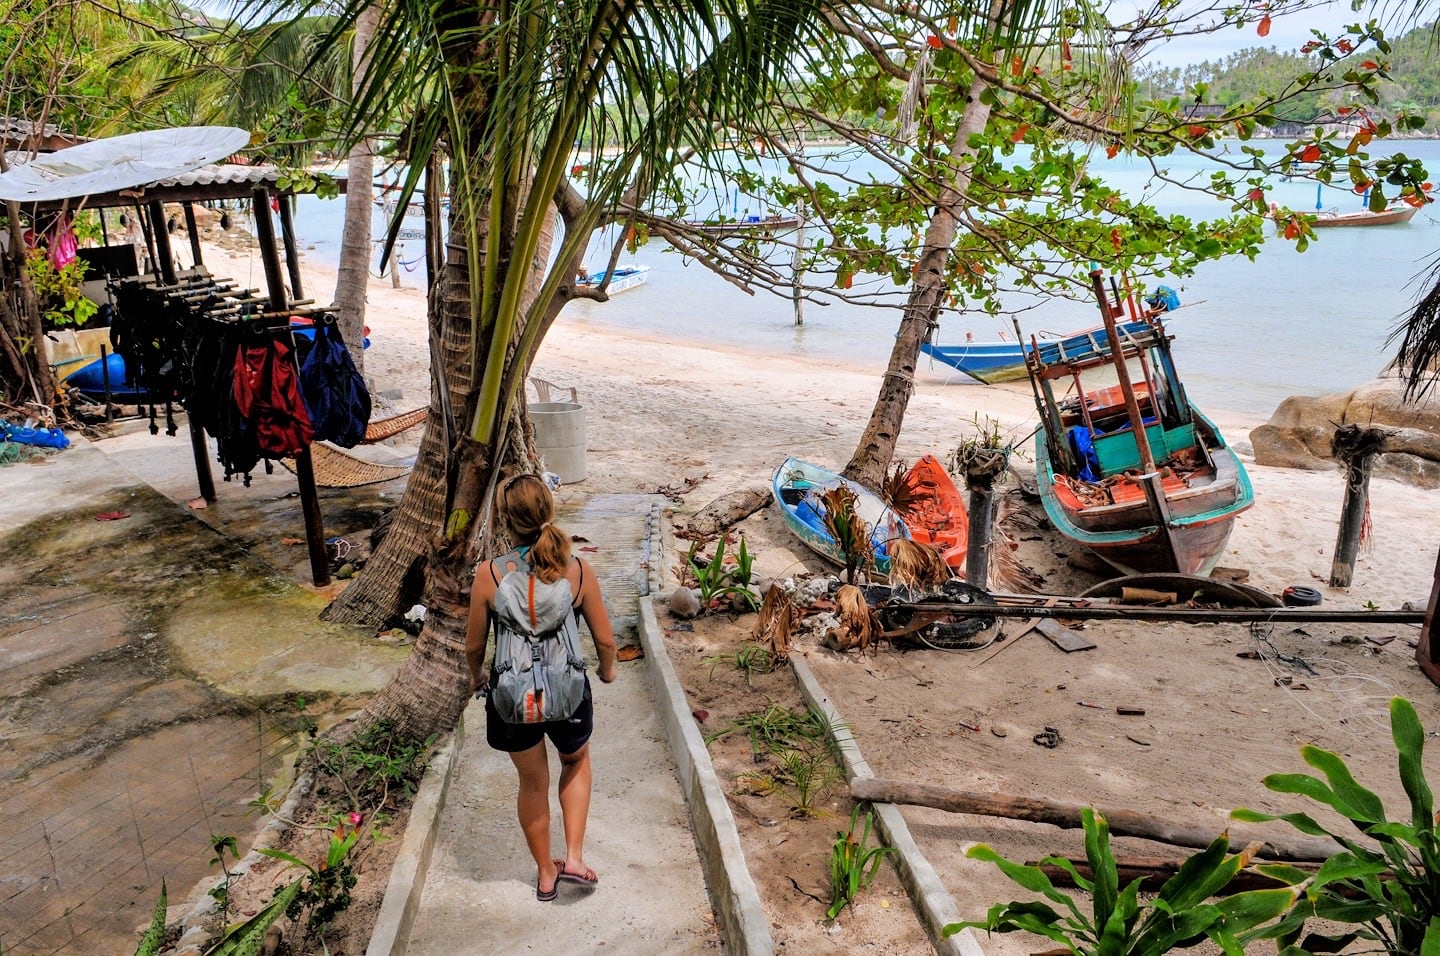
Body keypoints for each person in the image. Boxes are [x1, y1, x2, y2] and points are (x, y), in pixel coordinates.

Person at [465, 473, 618, 902]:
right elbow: (605, 640)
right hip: (567, 691)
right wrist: (607, 671)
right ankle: (573, 858)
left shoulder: (488, 575)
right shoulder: (577, 569)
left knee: (532, 782)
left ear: (504, 520)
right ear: (548, 512)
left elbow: (475, 644)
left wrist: (477, 677)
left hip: (514, 699)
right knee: (575, 760)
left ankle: (545, 875)